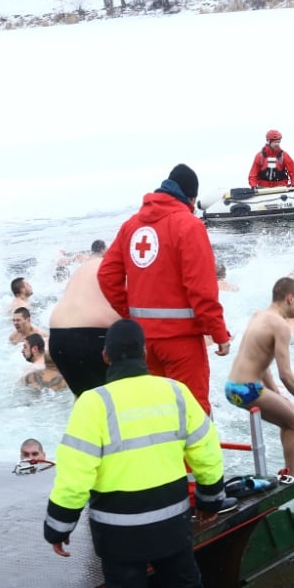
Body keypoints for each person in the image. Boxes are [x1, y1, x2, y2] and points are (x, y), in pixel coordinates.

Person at [44, 319, 229, 588]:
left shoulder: (93, 403)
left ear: (105, 357)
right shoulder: (176, 392)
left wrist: (59, 526)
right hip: (172, 525)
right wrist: (210, 500)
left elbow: (75, 475)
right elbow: (207, 453)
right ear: (144, 354)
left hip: (118, 534)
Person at [98, 164, 232, 415]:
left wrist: (130, 316)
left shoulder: (131, 226)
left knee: (157, 415)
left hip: (144, 343)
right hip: (181, 342)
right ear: (191, 197)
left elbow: (106, 275)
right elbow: (202, 289)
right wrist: (219, 333)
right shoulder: (188, 225)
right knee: (191, 415)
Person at [225, 278, 294, 482]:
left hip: (232, 387)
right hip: (248, 389)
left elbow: (263, 364)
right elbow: (285, 374)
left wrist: (276, 395)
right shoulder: (281, 326)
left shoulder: (258, 315)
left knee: (287, 420)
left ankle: (292, 469)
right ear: (289, 298)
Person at [49, 256, 122, 397]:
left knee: (84, 400)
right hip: (92, 335)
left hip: (57, 338)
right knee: (113, 400)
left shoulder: (87, 266)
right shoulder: (124, 266)